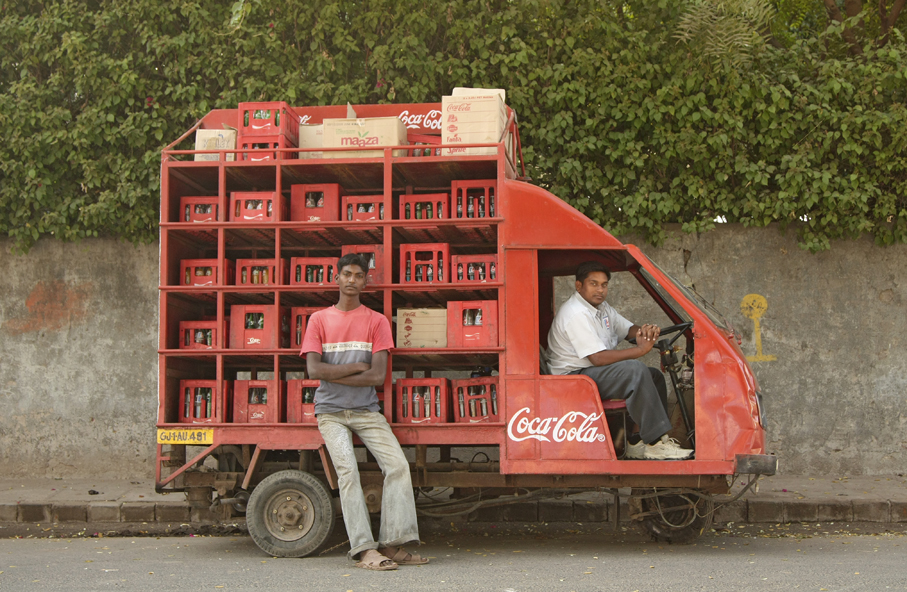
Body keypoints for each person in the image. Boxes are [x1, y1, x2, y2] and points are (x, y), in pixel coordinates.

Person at [301, 253, 428, 571]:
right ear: (337, 278)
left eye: (359, 275)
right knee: (348, 473)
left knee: (398, 466)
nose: (352, 280)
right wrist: (358, 364)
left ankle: (393, 544)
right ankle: (364, 550)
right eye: (347, 274)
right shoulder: (319, 320)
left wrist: (342, 370)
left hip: (366, 411)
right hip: (329, 411)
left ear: (365, 281)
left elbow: (376, 377)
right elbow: (314, 370)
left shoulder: (377, 321)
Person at [546, 261, 692, 460]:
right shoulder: (575, 313)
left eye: (604, 285)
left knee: (654, 376)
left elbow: (627, 329)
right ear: (579, 286)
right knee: (634, 370)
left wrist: (646, 333)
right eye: (593, 284)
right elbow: (597, 358)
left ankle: (637, 440)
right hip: (574, 379)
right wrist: (639, 350)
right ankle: (655, 443)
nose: (600, 290)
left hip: (591, 374)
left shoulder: (602, 308)